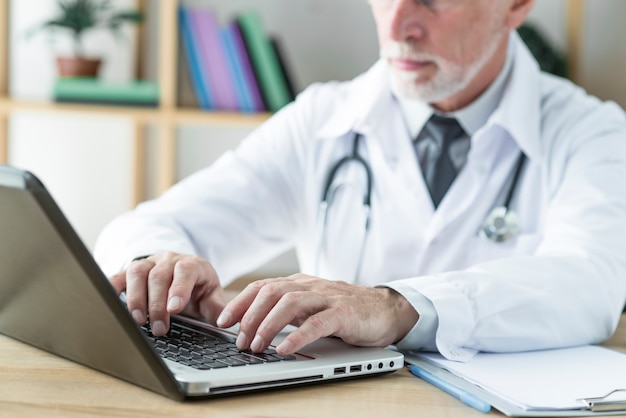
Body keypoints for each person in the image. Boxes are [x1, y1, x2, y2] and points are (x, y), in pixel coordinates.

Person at [94, 0, 626, 362]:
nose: (397, 27)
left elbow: (593, 283)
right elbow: (151, 224)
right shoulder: (321, 119)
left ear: (516, 5)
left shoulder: (592, 132)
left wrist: (396, 306)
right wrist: (160, 263)